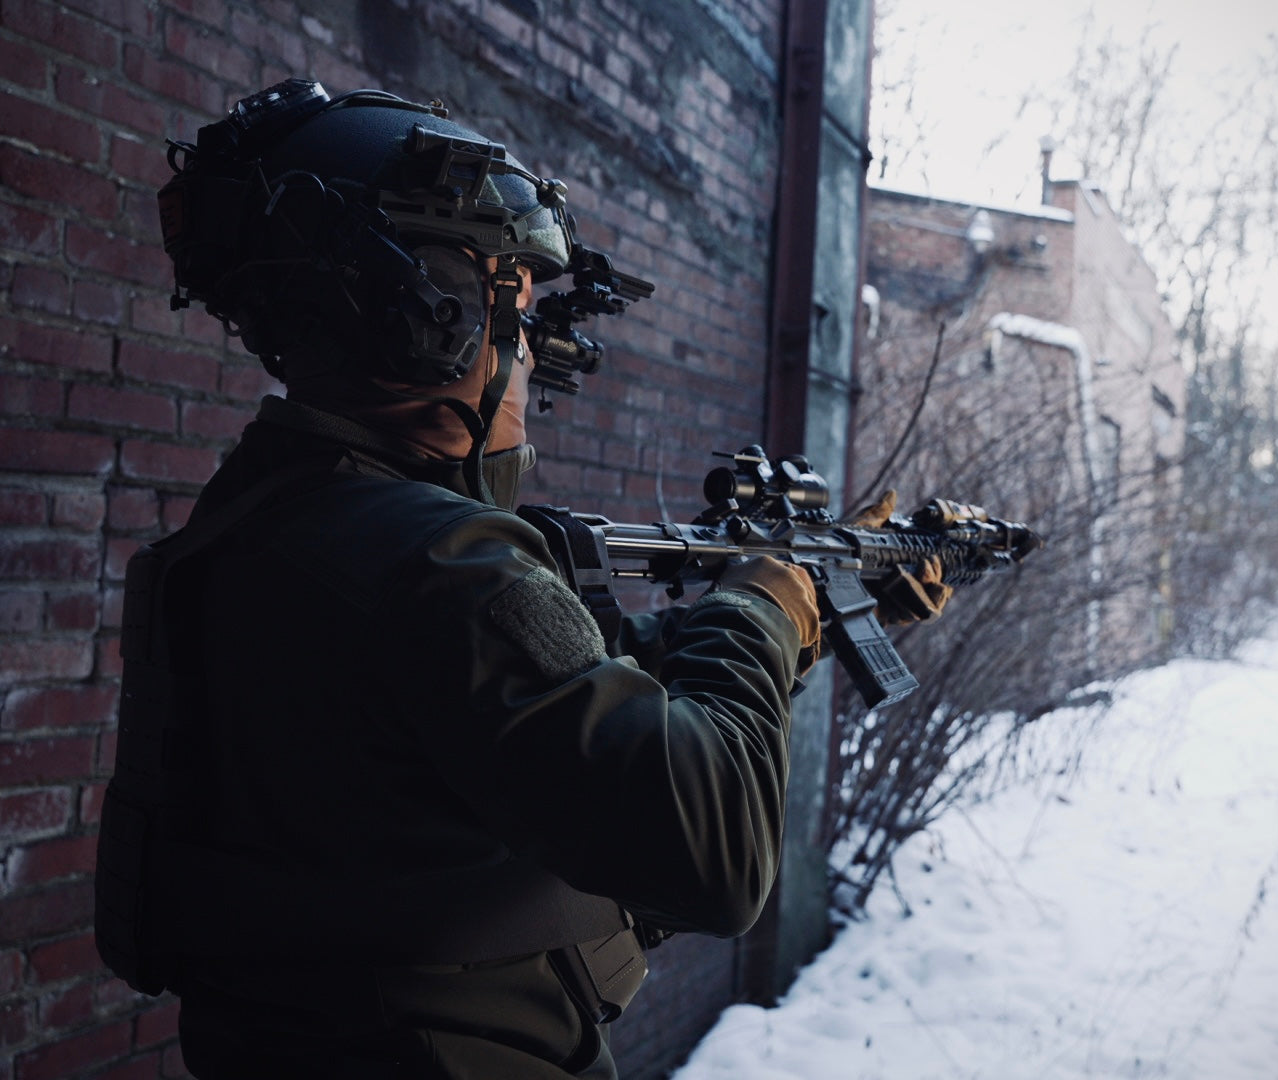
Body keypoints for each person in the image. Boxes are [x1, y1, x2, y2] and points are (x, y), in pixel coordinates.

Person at [94, 80, 846, 1079]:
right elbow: (712, 859)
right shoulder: (440, 566)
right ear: (423, 315)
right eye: (516, 308)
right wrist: (759, 609)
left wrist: (771, 631)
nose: (530, 351)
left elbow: (515, 760)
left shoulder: (263, 529)